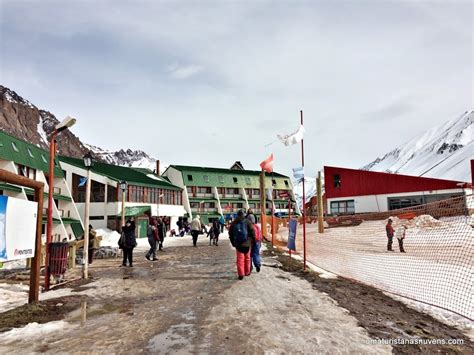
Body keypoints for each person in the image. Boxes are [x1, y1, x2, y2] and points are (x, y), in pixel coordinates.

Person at [229, 210, 256, 280]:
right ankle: (247, 272)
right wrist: (253, 240)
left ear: (237, 215)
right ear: (244, 214)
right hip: (247, 243)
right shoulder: (247, 222)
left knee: (240, 259)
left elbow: (230, 234)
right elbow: (252, 232)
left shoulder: (234, 223)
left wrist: (233, 243)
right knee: (247, 258)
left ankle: (241, 274)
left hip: (238, 244)